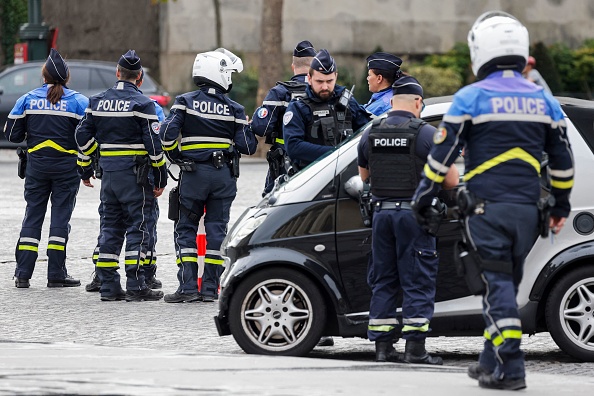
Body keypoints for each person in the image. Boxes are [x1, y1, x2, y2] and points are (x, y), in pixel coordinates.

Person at [412, 11, 573, 390]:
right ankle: (488, 363)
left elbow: (441, 157)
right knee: (505, 286)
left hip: (487, 209)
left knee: (495, 287)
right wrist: (560, 207)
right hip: (529, 213)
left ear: (479, 52)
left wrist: (422, 197)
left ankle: (512, 369)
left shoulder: (471, 97)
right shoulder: (542, 99)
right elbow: (563, 162)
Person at [357, 75, 459, 365]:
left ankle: (383, 348)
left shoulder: (370, 132)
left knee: (384, 279)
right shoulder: (426, 134)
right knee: (417, 279)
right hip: (414, 216)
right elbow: (451, 179)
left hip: (381, 216)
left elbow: (364, 177)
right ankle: (415, 349)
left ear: (390, 102)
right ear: (418, 102)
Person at [161, 48, 257, 303]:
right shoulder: (235, 108)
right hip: (223, 177)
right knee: (217, 232)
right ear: (219, 74)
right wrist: (244, 126)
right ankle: (210, 289)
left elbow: (167, 135)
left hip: (194, 176)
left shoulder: (185, 101)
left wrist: (175, 156)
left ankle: (188, 287)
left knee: (186, 229)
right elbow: (248, 147)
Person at [76, 49, 167, 302]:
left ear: (117, 73)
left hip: (109, 175)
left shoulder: (97, 102)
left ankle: (108, 287)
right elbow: (154, 146)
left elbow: (81, 136)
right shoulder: (144, 105)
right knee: (138, 228)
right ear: (139, 77)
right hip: (136, 177)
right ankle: (137, 286)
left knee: (110, 228)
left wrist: (88, 165)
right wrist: (160, 179)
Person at [4, 49, 88, 289]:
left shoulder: (28, 99)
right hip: (66, 169)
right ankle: (56, 274)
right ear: (67, 77)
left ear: (44, 76)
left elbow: (11, 134)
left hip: (37, 167)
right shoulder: (79, 101)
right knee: (60, 218)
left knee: (33, 216)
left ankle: (22, 274)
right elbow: (89, 134)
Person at [283, 49, 371, 169]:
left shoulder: (347, 101)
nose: (325, 86)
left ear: (336, 77)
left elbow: (365, 133)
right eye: (319, 81)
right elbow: (293, 146)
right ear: (309, 78)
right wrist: (335, 153)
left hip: (345, 173)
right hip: (312, 174)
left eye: (329, 81)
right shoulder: (299, 106)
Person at [251, 40, 316, 195]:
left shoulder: (280, 92)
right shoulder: (325, 94)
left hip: (284, 163)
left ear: (293, 67)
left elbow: (261, 127)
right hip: (318, 162)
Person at [364, 52, 403, 116]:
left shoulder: (384, 105)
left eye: (369, 75)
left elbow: (363, 118)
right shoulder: (383, 95)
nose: (367, 78)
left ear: (379, 78)